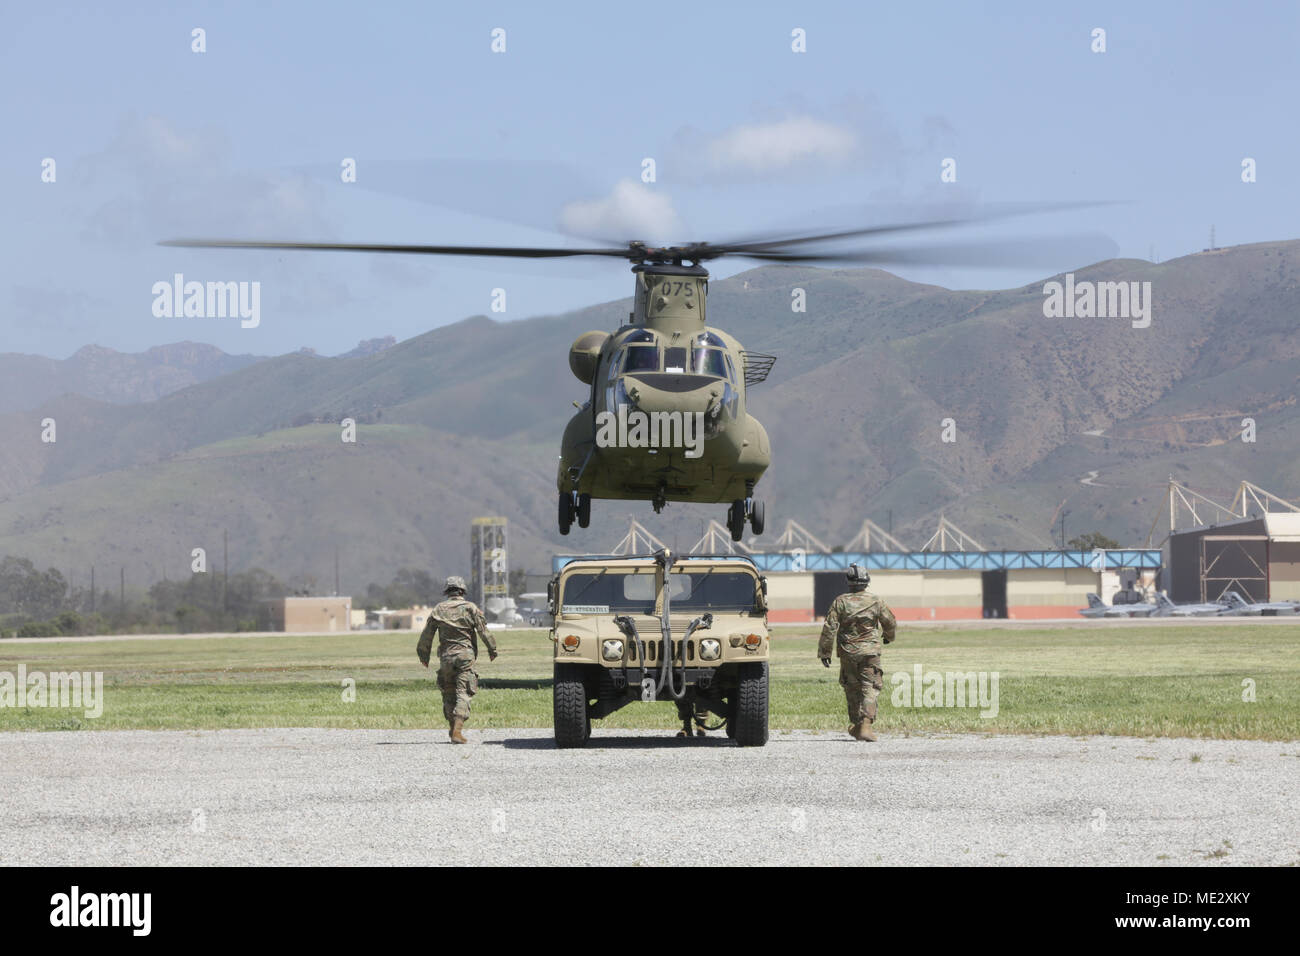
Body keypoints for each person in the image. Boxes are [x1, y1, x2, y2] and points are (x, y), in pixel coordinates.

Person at [817, 563, 896, 741]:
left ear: (848, 582)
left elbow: (830, 627)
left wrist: (825, 652)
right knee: (870, 687)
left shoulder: (840, 601)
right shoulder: (876, 601)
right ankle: (865, 725)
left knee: (851, 688)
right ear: (867, 581)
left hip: (848, 653)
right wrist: (889, 637)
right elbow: (890, 622)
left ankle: (857, 725)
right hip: (870, 653)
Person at [416, 576, 497, 744]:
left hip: (446, 657)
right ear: (462, 591)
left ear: (447, 591)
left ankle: (453, 728)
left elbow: (427, 635)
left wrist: (423, 655)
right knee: (463, 691)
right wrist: (492, 649)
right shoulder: (470, 608)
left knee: (448, 691)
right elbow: (484, 631)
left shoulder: (439, 609)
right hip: (465, 657)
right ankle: (457, 731)